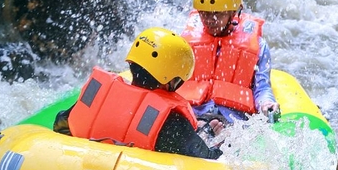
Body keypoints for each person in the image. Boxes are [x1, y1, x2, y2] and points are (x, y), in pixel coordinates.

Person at [53, 27, 222, 160]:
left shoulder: (99, 95)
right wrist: (212, 137)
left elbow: (61, 123)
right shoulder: (171, 121)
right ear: (169, 81)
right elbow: (205, 159)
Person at [178, 0, 279, 134]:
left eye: (217, 13)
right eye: (204, 13)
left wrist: (267, 103)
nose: (210, 19)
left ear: (234, 12)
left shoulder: (259, 46)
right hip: (195, 115)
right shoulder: (183, 43)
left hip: (232, 120)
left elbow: (262, 86)